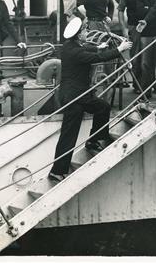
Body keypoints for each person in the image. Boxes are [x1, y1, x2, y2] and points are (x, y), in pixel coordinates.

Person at [49, 17, 132, 182]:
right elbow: (96, 59)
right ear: (79, 35)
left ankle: (60, 168)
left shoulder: (68, 47)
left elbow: (86, 50)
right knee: (102, 108)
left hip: (71, 94)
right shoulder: (76, 51)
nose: (87, 33)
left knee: (69, 133)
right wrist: (119, 50)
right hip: (77, 96)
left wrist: (98, 47)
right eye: (85, 31)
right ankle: (93, 141)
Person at [117, 0, 144, 92]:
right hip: (134, 28)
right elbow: (120, 10)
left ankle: (153, 85)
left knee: (150, 57)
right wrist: (124, 28)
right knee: (136, 57)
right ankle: (138, 86)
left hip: (150, 28)